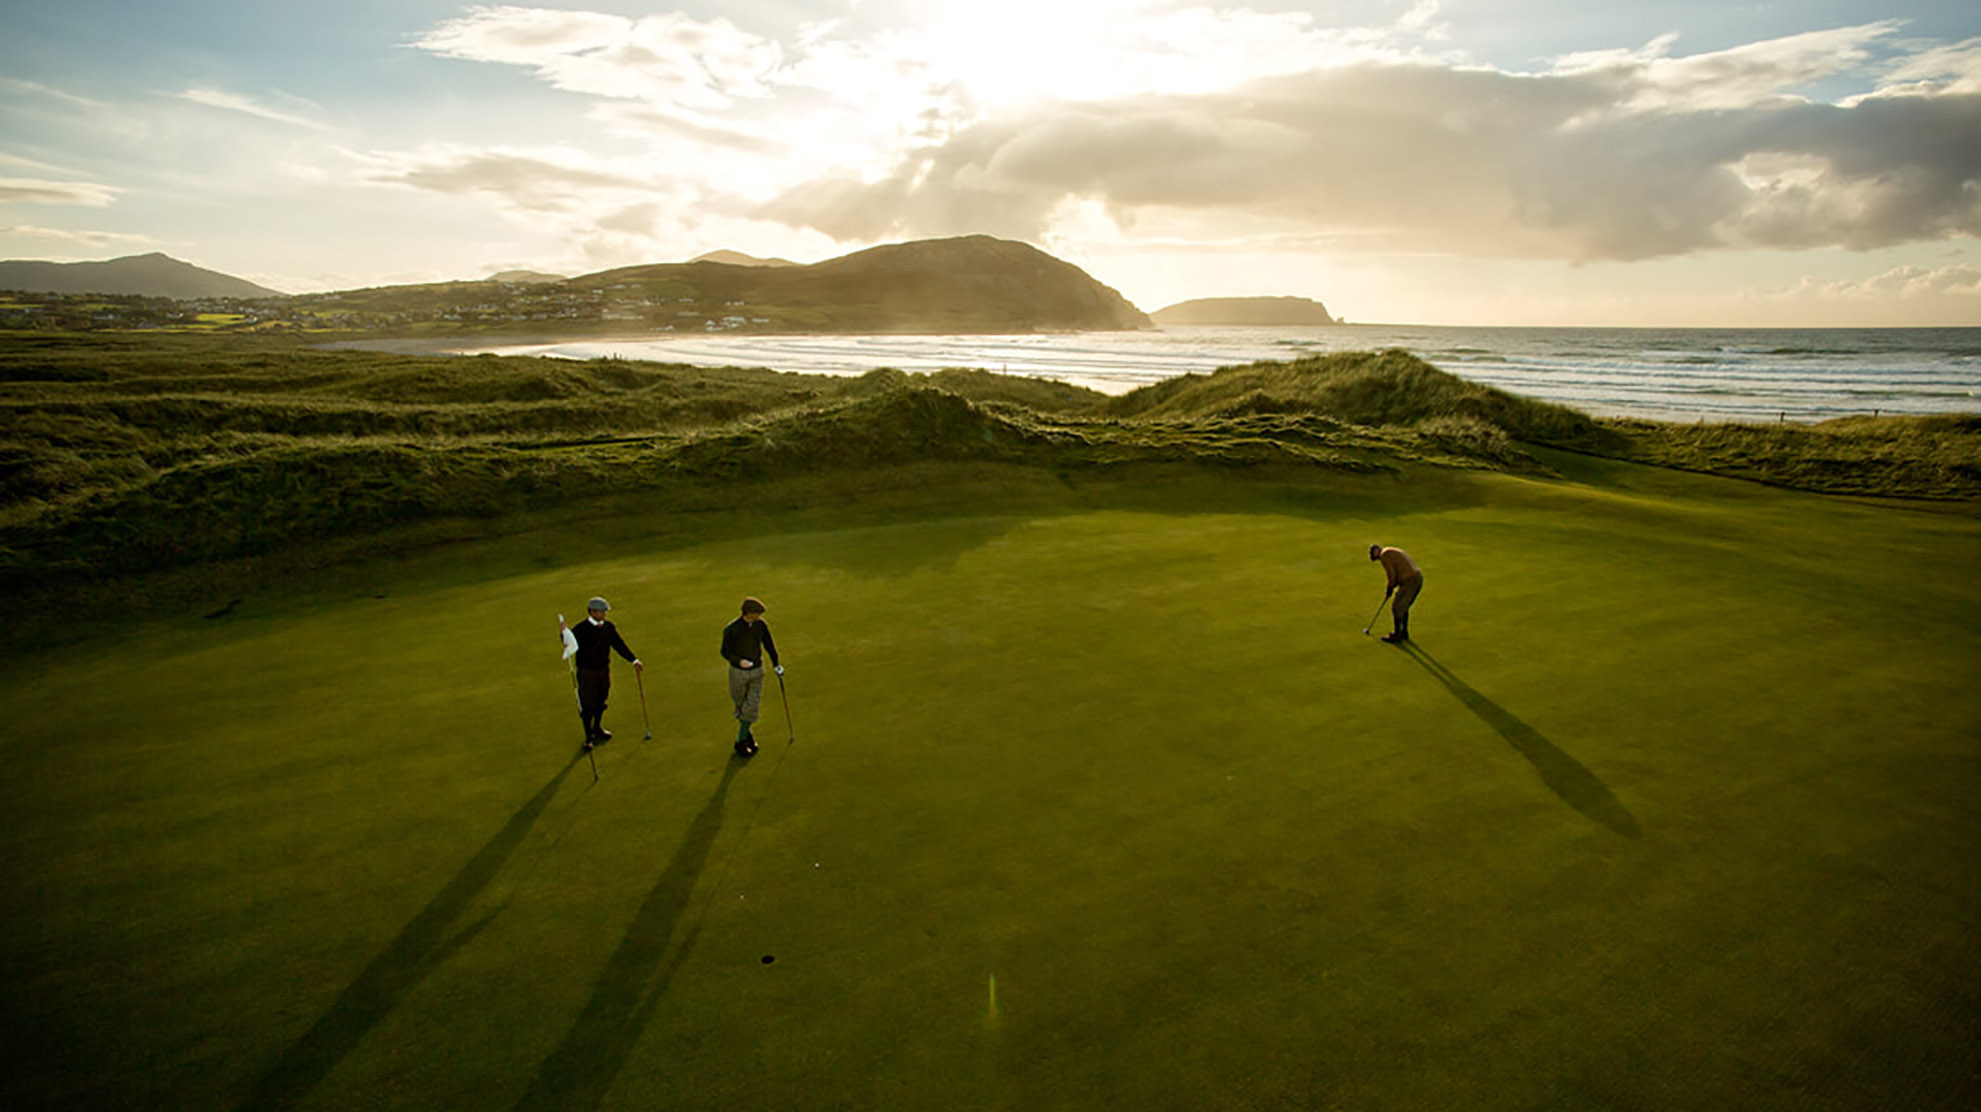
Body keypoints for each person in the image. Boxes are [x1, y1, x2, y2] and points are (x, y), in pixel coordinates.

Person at [561, 597, 641, 747]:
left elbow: (619, 645)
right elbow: (568, 641)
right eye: (602, 611)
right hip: (587, 673)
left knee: (601, 701)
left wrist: (633, 660)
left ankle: (597, 727)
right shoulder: (582, 628)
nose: (605, 614)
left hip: (603, 670)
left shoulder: (608, 627)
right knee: (588, 704)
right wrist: (564, 633)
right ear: (592, 612)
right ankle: (588, 736)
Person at [720, 597, 781, 758]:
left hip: (757, 671)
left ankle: (740, 743)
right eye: (757, 613)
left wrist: (776, 664)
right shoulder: (732, 629)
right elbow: (725, 652)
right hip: (737, 673)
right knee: (741, 707)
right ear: (748, 613)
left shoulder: (760, 626)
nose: (759, 616)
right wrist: (739, 661)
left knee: (751, 707)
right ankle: (748, 736)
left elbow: (769, 644)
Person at [1368, 544, 1424, 644]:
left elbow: (1392, 574)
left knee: (1397, 607)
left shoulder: (1384, 555)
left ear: (1376, 551)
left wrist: (1389, 588)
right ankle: (1403, 633)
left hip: (1410, 580)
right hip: (1416, 578)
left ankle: (1397, 635)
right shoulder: (1390, 550)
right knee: (1403, 606)